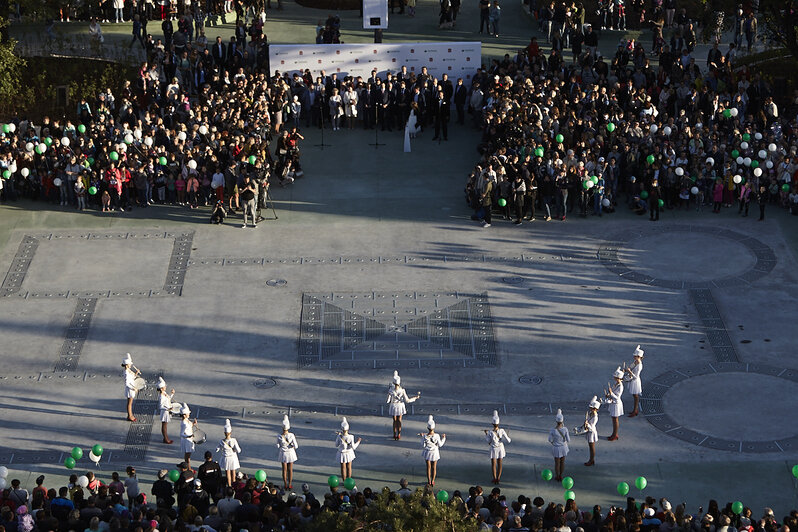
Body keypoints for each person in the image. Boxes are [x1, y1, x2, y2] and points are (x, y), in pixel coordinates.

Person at [386, 370, 421, 440]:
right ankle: (399, 434)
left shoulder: (391, 390)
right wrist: (415, 398)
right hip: (400, 406)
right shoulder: (402, 390)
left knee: (394, 421)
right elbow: (407, 400)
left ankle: (394, 434)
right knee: (399, 420)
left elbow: (388, 401)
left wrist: (389, 393)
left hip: (393, 405)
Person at [485, 410, 511, 484]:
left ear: (492, 423)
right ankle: (498, 478)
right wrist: (508, 437)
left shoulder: (490, 432)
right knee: (500, 463)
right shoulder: (502, 430)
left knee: (493, 464)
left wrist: (486, 433)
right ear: (498, 423)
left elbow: (488, 441)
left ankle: (494, 478)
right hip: (500, 448)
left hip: (493, 448)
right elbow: (509, 440)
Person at [420, 415, 446, 486]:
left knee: (428, 467)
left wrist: (422, 436)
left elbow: (423, 445)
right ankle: (433, 480)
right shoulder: (437, 436)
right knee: (434, 467)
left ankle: (429, 481)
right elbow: (440, 444)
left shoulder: (425, 436)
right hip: (435, 452)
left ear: (427, 428)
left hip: (427, 452)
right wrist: (443, 438)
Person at [216, 419, 242, 487]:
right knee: (233, 472)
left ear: (224, 433)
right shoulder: (234, 440)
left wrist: (218, 449)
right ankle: (234, 485)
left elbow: (217, 448)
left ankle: (229, 486)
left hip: (226, 458)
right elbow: (239, 450)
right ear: (230, 432)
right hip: (233, 457)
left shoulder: (222, 441)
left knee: (227, 472)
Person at [277, 415, 298, 490]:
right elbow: (296, 446)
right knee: (290, 469)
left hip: (283, 453)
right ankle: (290, 484)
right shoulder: (292, 435)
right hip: (291, 453)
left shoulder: (279, 436)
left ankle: (285, 484)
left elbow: (277, 446)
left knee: (284, 469)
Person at [548, 409, 569, 482]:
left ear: (556, 421)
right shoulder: (565, 429)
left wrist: (554, 442)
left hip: (556, 448)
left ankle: (557, 476)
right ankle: (561, 475)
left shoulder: (552, 430)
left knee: (557, 463)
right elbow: (568, 439)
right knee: (562, 462)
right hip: (563, 447)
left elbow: (550, 440)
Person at [625, 345, 644, 417]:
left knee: (635, 396)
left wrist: (629, 372)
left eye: (635, 356)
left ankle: (635, 410)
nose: (634, 357)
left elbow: (635, 376)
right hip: (633, 380)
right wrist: (627, 369)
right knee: (635, 396)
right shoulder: (635, 362)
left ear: (639, 357)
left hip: (635, 381)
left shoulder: (639, 365)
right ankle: (635, 410)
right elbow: (631, 366)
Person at [607, 367, 624, 441]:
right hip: (613, 403)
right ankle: (614, 434)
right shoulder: (616, 384)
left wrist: (611, 393)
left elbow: (617, 397)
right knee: (614, 419)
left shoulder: (620, 386)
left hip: (616, 404)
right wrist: (609, 395)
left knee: (615, 419)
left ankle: (615, 434)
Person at [157, 377, 175, 444]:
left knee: (165, 425)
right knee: (164, 425)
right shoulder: (161, 396)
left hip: (167, 411)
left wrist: (172, 394)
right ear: (161, 388)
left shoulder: (164, 393)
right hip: (165, 412)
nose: (165, 387)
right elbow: (161, 406)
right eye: (164, 386)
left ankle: (166, 438)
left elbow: (168, 398)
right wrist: (168, 409)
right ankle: (166, 438)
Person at [122, 354, 139, 422]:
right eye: (129, 364)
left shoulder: (129, 370)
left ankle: (130, 415)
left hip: (132, 388)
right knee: (130, 403)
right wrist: (133, 388)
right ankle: (130, 415)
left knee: (130, 402)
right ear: (126, 365)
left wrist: (136, 373)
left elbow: (132, 378)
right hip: (130, 389)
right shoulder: (126, 372)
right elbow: (127, 383)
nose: (130, 365)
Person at [180, 403, 197, 469]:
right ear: (184, 415)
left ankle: (188, 467)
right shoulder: (184, 423)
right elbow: (181, 434)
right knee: (187, 456)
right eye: (188, 413)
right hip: (186, 440)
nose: (189, 414)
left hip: (189, 438)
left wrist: (193, 424)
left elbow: (190, 426)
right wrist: (189, 435)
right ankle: (189, 468)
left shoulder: (186, 420)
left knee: (188, 455)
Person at [583, 396, 600, 466]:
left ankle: (591, 460)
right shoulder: (591, 413)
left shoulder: (595, 416)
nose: (590, 409)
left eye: (592, 408)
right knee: (590, 447)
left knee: (592, 447)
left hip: (592, 432)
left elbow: (592, 426)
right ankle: (591, 459)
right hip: (590, 431)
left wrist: (587, 424)